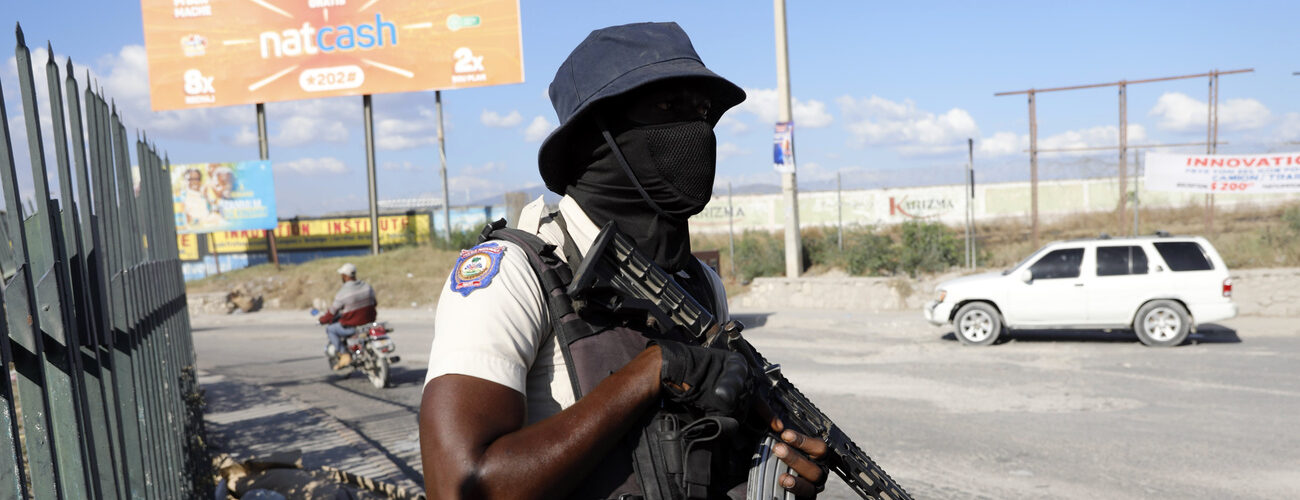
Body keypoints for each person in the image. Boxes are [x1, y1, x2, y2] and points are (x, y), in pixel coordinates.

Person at [420, 22, 828, 499]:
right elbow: (457, 486)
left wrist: (770, 471)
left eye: (702, 112)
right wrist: (648, 373)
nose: (694, 131)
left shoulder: (698, 283)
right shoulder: (515, 272)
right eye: (667, 108)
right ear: (597, 133)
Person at [319, 263, 377, 370]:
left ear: (345, 276)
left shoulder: (343, 293)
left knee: (331, 329)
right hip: (369, 324)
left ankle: (344, 354)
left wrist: (322, 320)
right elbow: (374, 303)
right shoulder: (367, 286)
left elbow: (332, 313)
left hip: (352, 327)